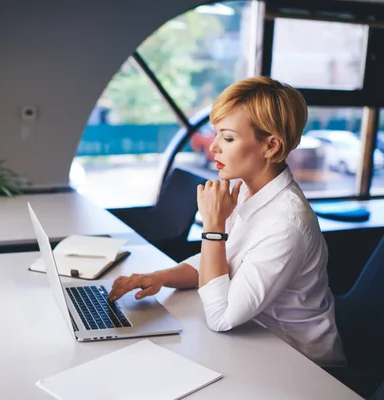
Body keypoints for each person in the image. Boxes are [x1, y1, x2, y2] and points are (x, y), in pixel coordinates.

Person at [108, 76, 347, 367]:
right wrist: (161, 277)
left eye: (228, 138)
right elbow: (221, 262)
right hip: (253, 342)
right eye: (217, 134)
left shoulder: (287, 225)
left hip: (300, 365)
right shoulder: (246, 188)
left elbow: (221, 316)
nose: (214, 148)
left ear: (271, 146)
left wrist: (213, 228)